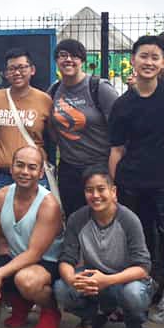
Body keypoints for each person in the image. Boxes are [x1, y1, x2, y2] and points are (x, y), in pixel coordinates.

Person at [108, 36, 164, 287]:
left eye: (155, 57)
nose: (149, 62)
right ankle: (138, 305)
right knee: (139, 246)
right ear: (132, 60)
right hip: (132, 185)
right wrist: (113, 187)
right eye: (143, 56)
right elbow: (117, 150)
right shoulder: (122, 105)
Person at [0, 146, 64, 328]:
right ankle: (20, 302)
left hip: (44, 261)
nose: (25, 172)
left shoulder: (49, 205)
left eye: (32, 167)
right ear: (11, 168)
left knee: (26, 280)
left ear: (41, 172)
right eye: (20, 165)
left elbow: (34, 253)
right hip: (14, 256)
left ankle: (50, 310)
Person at [53, 166, 155, 328]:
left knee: (134, 294)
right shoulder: (77, 219)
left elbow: (143, 267)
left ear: (113, 191)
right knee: (61, 288)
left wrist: (107, 280)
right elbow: (66, 259)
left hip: (125, 279)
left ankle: (133, 320)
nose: (95, 196)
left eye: (101, 189)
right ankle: (91, 315)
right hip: (96, 279)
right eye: (89, 190)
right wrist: (72, 280)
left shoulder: (129, 219)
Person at [48, 39, 119, 215]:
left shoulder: (99, 88)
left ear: (83, 60)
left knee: (102, 215)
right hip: (69, 168)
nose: (68, 60)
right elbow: (51, 128)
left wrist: (113, 173)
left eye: (74, 56)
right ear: (56, 61)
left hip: (99, 165)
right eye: (62, 55)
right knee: (73, 217)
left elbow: (119, 131)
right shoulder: (53, 91)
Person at [0, 48, 53, 198]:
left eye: (22, 67)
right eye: (12, 68)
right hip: (0, 177)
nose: (17, 73)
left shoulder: (44, 100)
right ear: (6, 73)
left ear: (32, 70)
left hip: (34, 178)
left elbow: (52, 138)